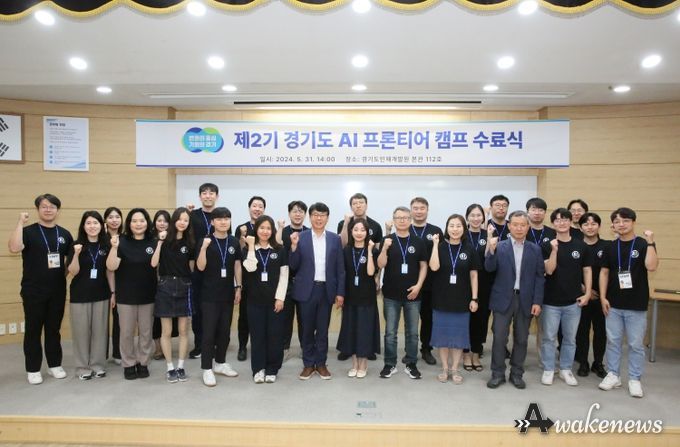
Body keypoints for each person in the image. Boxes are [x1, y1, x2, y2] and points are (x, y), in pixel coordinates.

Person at [8, 194, 74, 385]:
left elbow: (70, 262)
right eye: (44, 206)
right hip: (33, 290)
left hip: (57, 290)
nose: (48, 210)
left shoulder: (64, 234)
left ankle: (54, 365)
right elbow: (14, 248)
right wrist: (20, 222)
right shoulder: (28, 231)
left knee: (54, 329)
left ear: (57, 210)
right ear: (38, 209)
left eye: (52, 206)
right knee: (33, 330)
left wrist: (62, 275)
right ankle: (33, 368)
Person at [598, 207, 658, 398]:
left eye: (625, 220)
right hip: (613, 303)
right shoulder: (610, 246)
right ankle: (613, 375)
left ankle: (634, 379)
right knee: (613, 341)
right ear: (613, 225)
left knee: (635, 344)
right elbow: (604, 273)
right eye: (617, 221)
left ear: (633, 222)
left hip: (636, 304)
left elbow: (651, 266)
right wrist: (603, 297)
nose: (621, 224)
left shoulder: (642, 244)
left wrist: (651, 242)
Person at [485, 210, 545, 390]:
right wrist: (491, 249)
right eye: (515, 225)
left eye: (522, 225)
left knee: (522, 339)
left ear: (528, 227)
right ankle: (497, 374)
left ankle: (517, 374)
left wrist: (537, 302)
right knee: (499, 338)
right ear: (509, 226)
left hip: (525, 300)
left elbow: (539, 277)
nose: (519, 228)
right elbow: (489, 268)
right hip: (503, 299)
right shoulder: (499, 246)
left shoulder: (535, 249)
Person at [289, 202, 345, 380]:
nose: (318, 218)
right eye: (315, 215)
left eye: (322, 215)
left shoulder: (335, 239)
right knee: (306, 330)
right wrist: (293, 247)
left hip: (326, 290)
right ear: (310, 217)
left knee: (322, 330)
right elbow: (293, 266)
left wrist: (340, 293)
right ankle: (308, 364)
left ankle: (321, 364)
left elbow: (340, 269)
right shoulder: (300, 237)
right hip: (306, 290)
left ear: (327, 218)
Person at [540, 208, 592, 387]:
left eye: (565, 219)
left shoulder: (581, 246)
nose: (561, 223)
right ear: (552, 223)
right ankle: (549, 369)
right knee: (549, 338)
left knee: (570, 339)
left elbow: (587, 270)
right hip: (550, 302)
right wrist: (554, 250)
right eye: (557, 220)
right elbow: (549, 270)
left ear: (571, 222)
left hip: (573, 302)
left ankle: (565, 369)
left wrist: (587, 293)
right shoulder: (547, 245)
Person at [106, 208, 157, 380]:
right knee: (126, 333)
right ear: (129, 223)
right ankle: (128, 363)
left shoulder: (153, 242)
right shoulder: (121, 241)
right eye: (134, 221)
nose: (138, 224)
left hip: (148, 295)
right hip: (126, 296)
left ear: (147, 223)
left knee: (146, 333)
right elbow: (111, 266)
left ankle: (143, 362)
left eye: (142, 220)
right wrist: (114, 248)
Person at [377, 206, 427, 380]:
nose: (402, 220)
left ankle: (411, 364)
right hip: (391, 294)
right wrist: (384, 248)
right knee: (390, 333)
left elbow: (424, 266)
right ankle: (389, 364)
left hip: (413, 295)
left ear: (410, 220)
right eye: (398, 218)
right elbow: (380, 264)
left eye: (405, 217)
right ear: (394, 220)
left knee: (412, 333)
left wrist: (418, 286)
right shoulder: (387, 239)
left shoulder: (418, 241)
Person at [428, 215, 479, 384]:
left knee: (459, 337)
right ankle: (444, 368)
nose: (455, 229)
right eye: (452, 225)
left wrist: (474, 298)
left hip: (462, 300)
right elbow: (433, 267)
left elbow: (474, 275)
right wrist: (435, 245)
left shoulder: (469, 249)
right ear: (447, 228)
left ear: (464, 228)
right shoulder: (440, 246)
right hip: (441, 299)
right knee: (442, 337)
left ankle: (455, 368)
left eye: (458, 226)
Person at [196, 207, 242, 387]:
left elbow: (237, 265)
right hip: (209, 295)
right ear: (212, 222)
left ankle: (220, 363)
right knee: (209, 333)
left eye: (226, 218)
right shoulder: (205, 241)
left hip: (227, 294)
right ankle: (207, 368)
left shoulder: (234, 241)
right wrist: (203, 249)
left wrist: (238, 287)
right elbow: (200, 267)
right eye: (219, 219)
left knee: (224, 331)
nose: (223, 222)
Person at [67, 211, 114, 380]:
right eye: (88, 223)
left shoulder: (106, 245)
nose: (92, 226)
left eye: (95, 223)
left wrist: (113, 292)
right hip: (80, 295)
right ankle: (82, 367)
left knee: (100, 332)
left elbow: (110, 271)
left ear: (102, 226)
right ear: (83, 226)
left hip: (101, 294)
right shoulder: (76, 245)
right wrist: (76, 254)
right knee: (81, 332)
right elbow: (72, 271)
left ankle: (97, 364)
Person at [150, 207, 194, 383]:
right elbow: (153, 263)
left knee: (183, 331)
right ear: (174, 220)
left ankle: (181, 366)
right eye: (179, 219)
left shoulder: (189, 242)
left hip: (185, 286)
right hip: (165, 285)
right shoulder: (162, 240)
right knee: (166, 331)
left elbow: (192, 268)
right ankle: (170, 367)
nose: (182, 222)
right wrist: (160, 243)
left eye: (186, 220)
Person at [243, 215, 288, 383]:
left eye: (268, 228)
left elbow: (284, 275)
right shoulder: (248, 249)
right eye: (262, 228)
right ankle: (258, 369)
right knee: (257, 336)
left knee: (275, 336)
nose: (265, 231)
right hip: (254, 301)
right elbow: (250, 267)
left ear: (272, 231)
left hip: (274, 301)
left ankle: (272, 368)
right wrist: (251, 246)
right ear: (256, 230)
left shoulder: (279, 249)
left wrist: (280, 298)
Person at [336, 218, 380, 378]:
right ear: (351, 232)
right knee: (351, 330)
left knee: (364, 331)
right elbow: (342, 274)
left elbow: (371, 272)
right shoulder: (346, 250)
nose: (359, 233)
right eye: (356, 230)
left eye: (362, 230)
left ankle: (363, 364)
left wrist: (370, 251)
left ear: (367, 232)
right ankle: (354, 364)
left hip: (367, 297)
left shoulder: (372, 250)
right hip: (350, 297)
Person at [408, 197, 443, 366]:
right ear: (411, 210)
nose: (419, 211)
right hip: (408, 283)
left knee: (428, 319)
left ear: (427, 210)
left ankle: (426, 349)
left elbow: (441, 257)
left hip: (430, 284)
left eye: (422, 208)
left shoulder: (436, 231)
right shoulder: (405, 228)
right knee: (410, 319)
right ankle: (410, 350)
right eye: (415, 208)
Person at [187, 182, 220, 359]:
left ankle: (214, 343)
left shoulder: (221, 215)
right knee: (198, 309)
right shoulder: (193, 215)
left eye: (211, 193)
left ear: (217, 196)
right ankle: (200, 344)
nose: (208, 196)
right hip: (197, 270)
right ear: (200, 196)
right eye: (204, 193)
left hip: (216, 270)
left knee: (215, 308)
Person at [575, 212, 608, 378]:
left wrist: (601, 294)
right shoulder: (576, 246)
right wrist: (584, 289)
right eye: (586, 224)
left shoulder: (607, 246)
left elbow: (609, 272)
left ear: (599, 226)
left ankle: (598, 363)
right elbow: (570, 271)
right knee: (582, 331)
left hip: (602, 297)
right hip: (581, 296)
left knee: (601, 332)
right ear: (580, 227)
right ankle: (583, 362)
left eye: (593, 224)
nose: (590, 227)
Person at [275, 200, 309, 359]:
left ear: (305, 214)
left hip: (304, 282)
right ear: (289, 213)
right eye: (294, 211)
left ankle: (305, 348)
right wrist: (280, 228)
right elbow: (276, 247)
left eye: (301, 211)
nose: (297, 214)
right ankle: (284, 349)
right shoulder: (282, 231)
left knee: (305, 319)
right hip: (286, 281)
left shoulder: (309, 233)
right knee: (285, 318)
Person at [237, 195, 267, 362]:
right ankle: (242, 346)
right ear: (249, 208)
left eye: (260, 206)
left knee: (262, 316)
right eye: (254, 206)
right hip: (248, 279)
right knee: (244, 316)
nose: (257, 209)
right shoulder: (242, 228)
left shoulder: (266, 227)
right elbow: (238, 254)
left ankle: (260, 345)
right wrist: (243, 239)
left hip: (264, 281)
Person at [463, 203, 491, 372]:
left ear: (483, 217)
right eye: (472, 215)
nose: (475, 218)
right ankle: (466, 353)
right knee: (465, 320)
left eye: (479, 215)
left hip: (484, 284)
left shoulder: (488, 235)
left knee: (481, 320)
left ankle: (476, 352)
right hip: (463, 284)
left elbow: (490, 259)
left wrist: (490, 240)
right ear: (467, 217)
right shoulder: (461, 234)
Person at [151, 210, 177, 361]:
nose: (162, 223)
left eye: (165, 221)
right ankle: (158, 348)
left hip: (167, 282)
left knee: (167, 316)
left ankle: (166, 345)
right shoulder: (150, 238)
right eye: (159, 220)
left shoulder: (172, 239)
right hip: (150, 281)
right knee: (155, 317)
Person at [103, 207, 123, 365]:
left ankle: (118, 353)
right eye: (110, 217)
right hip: (100, 283)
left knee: (119, 320)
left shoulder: (125, 238)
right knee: (101, 321)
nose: (114, 220)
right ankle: (100, 354)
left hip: (119, 284)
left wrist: (114, 291)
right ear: (105, 220)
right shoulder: (101, 238)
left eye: (117, 217)